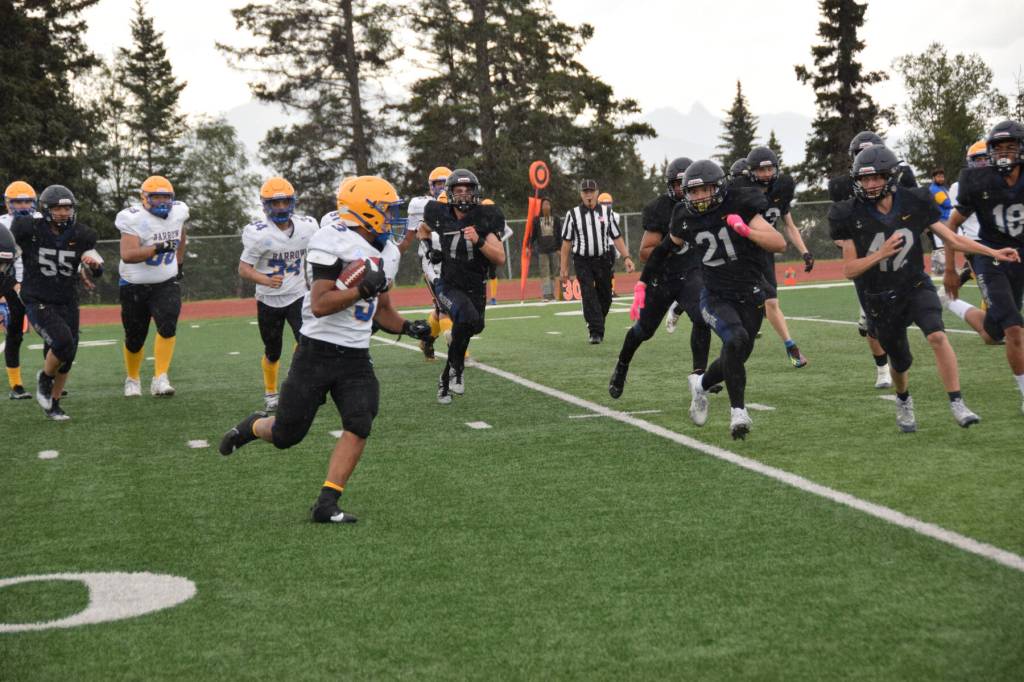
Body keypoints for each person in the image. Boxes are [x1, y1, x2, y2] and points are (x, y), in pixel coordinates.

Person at [219, 176, 431, 523]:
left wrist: (409, 328)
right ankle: (253, 427)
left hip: (356, 355)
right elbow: (320, 304)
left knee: (361, 420)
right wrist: (361, 291)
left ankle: (327, 502)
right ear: (365, 209)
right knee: (287, 435)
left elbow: (384, 310)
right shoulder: (332, 240)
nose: (391, 216)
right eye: (385, 209)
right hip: (317, 351)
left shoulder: (388, 250)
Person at [830, 145, 1018, 431]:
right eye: (864, 179)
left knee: (937, 335)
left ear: (890, 176)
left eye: (876, 178)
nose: (869, 184)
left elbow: (950, 238)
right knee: (900, 362)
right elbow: (848, 270)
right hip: (879, 295)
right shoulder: (849, 213)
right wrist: (880, 254)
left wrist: (993, 253)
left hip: (915, 283)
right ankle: (903, 398)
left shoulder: (914, 200)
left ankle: (957, 402)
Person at [638, 160, 785, 439]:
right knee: (736, 339)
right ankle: (738, 413)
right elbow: (663, 250)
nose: (698, 197)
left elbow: (778, 243)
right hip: (714, 294)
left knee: (736, 354)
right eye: (692, 192)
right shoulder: (683, 215)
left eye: (704, 190)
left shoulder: (739, 203)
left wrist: (747, 232)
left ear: (718, 188)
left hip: (750, 293)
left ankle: (701, 386)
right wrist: (643, 282)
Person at [609, 157, 711, 399]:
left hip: (690, 274)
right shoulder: (661, 208)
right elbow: (645, 253)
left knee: (703, 317)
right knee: (643, 330)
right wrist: (671, 245)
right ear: (670, 185)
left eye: (691, 186)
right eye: (679, 184)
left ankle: (699, 377)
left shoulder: (703, 207)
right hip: (662, 278)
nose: (685, 190)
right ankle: (622, 365)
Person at [941, 120, 1024, 415]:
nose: (1003, 154)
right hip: (989, 255)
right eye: (998, 148)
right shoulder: (979, 180)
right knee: (1014, 328)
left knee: (993, 333)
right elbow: (952, 225)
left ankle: (950, 304)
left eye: (1010, 148)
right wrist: (950, 269)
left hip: (1020, 254)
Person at [829, 131, 919, 389]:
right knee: (873, 321)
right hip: (866, 257)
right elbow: (842, 227)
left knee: (909, 313)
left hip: (900, 253)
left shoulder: (902, 176)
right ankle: (882, 369)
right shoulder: (842, 186)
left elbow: (915, 209)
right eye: (860, 156)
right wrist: (846, 243)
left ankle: (899, 361)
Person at [10, 185, 102, 420]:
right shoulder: (29, 229)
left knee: (68, 354)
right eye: (57, 208)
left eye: (67, 207)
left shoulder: (82, 234)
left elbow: (92, 260)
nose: (63, 212)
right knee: (62, 341)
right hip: (37, 297)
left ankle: (54, 404)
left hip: (67, 299)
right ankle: (44, 378)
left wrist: (93, 264)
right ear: (46, 209)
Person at [419, 169, 506, 403]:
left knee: (473, 326)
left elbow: (499, 257)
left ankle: (445, 378)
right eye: (459, 190)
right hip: (448, 285)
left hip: (476, 286)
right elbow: (422, 229)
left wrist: (478, 241)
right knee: (466, 318)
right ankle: (457, 370)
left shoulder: (484, 217)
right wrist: (430, 249)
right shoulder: (440, 215)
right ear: (450, 193)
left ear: (475, 194)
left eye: (469, 191)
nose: (464, 195)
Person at [238, 177, 318, 411]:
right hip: (268, 299)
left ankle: (296, 384)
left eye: (285, 202)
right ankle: (271, 392)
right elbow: (243, 269)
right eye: (276, 203)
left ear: (292, 202)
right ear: (265, 205)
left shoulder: (308, 227)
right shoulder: (258, 233)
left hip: (298, 295)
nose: (281, 207)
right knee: (273, 350)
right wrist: (264, 279)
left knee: (305, 341)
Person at [738, 146, 813, 368]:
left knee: (770, 300)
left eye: (770, 168)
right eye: (761, 170)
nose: (766, 174)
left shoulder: (779, 191)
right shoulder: (743, 193)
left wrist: (805, 251)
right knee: (756, 300)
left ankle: (790, 347)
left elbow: (789, 225)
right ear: (750, 172)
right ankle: (789, 346)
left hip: (765, 253)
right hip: (742, 252)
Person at [115, 175, 188, 398]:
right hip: (134, 284)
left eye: (165, 197)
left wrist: (179, 262)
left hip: (165, 282)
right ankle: (133, 378)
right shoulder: (132, 218)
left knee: (168, 325)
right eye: (156, 197)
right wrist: (157, 248)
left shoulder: (179, 212)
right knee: (135, 337)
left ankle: (160, 377)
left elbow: (181, 234)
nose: (162, 202)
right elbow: (127, 255)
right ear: (145, 198)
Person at [559, 179, 635, 344]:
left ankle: (596, 321)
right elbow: (566, 243)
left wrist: (627, 257)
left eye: (591, 191)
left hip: (603, 259)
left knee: (606, 296)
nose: (588, 195)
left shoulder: (607, 213)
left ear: (597, 193)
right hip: (582, 260)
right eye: (585, 191)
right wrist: (563, 268)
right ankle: (595, 331)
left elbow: (616, 237)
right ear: (581, 194)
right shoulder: (573, 215)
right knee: (588, 293)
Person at [405, 166, 451, 360]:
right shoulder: (420, 204)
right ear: (431, 186)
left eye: (444, 184)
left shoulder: (459, 202)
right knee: (445, 307)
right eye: (437, 184)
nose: (441, 188)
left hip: (454, 261)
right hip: (431, 262)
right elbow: (412, 234)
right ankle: (459, 350)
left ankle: (427, 339)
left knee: (451, 305)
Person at [1, 180, 38, 399]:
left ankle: (50, 380)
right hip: (11, 285)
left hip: (39, 285)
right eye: (18, 201)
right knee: (15, 334)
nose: (23, 206)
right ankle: (16, 385)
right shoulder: (2, 224)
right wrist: (11, 284)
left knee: (51, 332)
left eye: (27, 201)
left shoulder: (42, 221)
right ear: (8, 203)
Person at [946, 140, 989, 291]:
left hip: (999, 242)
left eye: (987, 159)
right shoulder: (959, 187)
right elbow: (954, 221)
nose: (983, 164)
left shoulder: (1003, 184)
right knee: (994, 291)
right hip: (975, 242)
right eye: (979, 160)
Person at [529, 197, 560, 301]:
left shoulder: (556, 219)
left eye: (548, 204)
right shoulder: (536, 220)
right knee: (544, 272)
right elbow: (532, 235)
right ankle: (546, 295)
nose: (546, 206)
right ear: (541, 207)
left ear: (551, 207)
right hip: (542, 251)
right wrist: (529, 247)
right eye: (544, 204)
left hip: (554, 250)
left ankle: (552, 295)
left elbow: (559, 235)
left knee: (553, 272)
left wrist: (560, 248)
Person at [928, 168, 953, 275]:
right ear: (933, 178)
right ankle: (940, 269)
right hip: (941, 220)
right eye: (938, 176)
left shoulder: (943, 188)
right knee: (941, 247)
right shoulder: (934, 189)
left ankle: (940, 268)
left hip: (946, 219)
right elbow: (947, 203)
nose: (941, 178)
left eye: (942, 176)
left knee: (944, 246)